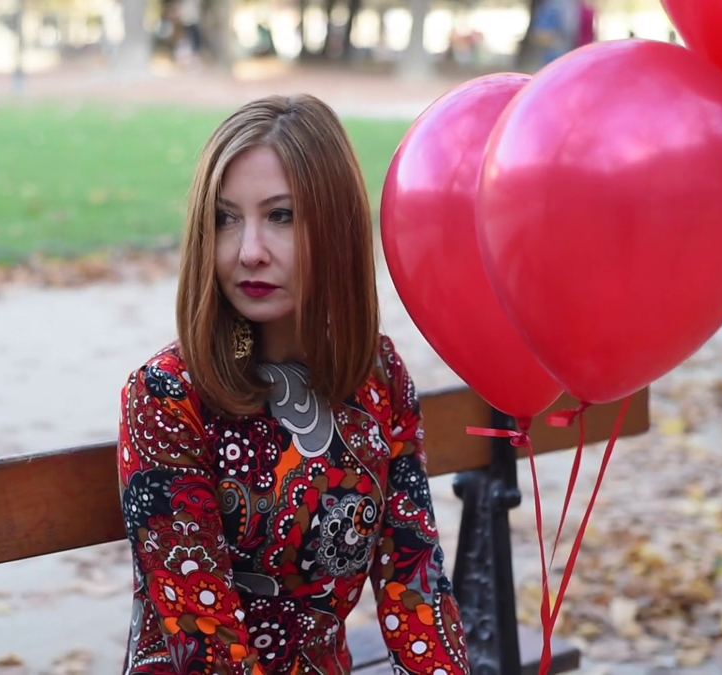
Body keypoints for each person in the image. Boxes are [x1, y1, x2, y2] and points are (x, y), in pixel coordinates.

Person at [116, 95, 470, 674]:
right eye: (226, 218)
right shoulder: (168, 395)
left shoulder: (376, 376)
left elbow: (415, 584)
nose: (249, 251)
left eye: (280, 215)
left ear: (335, 226)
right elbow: (205, 641)